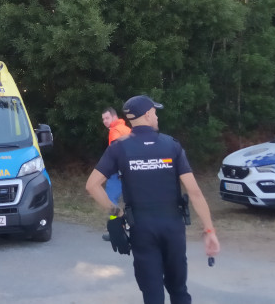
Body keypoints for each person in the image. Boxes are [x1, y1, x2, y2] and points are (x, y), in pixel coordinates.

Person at [85, 95, 221, 304]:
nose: (157, 116)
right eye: (155, 112)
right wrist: (209, 230)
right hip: (172, 227)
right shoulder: (171, 145)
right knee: (179, 291)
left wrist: (117, 213)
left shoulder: (119, 147)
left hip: (141, 228)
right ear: (148, 114)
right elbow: (194, 192)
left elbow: (92, 185)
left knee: (152, 295)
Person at [102, 106, 131, 206]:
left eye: (107, 118)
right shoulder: (127, 129)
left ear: (114, 117)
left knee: (111, 199)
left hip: (118, 171)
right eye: (103, 119)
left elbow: (115, 149)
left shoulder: (114, 130)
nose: (104, 121)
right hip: (130, 168)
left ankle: (115, 220)